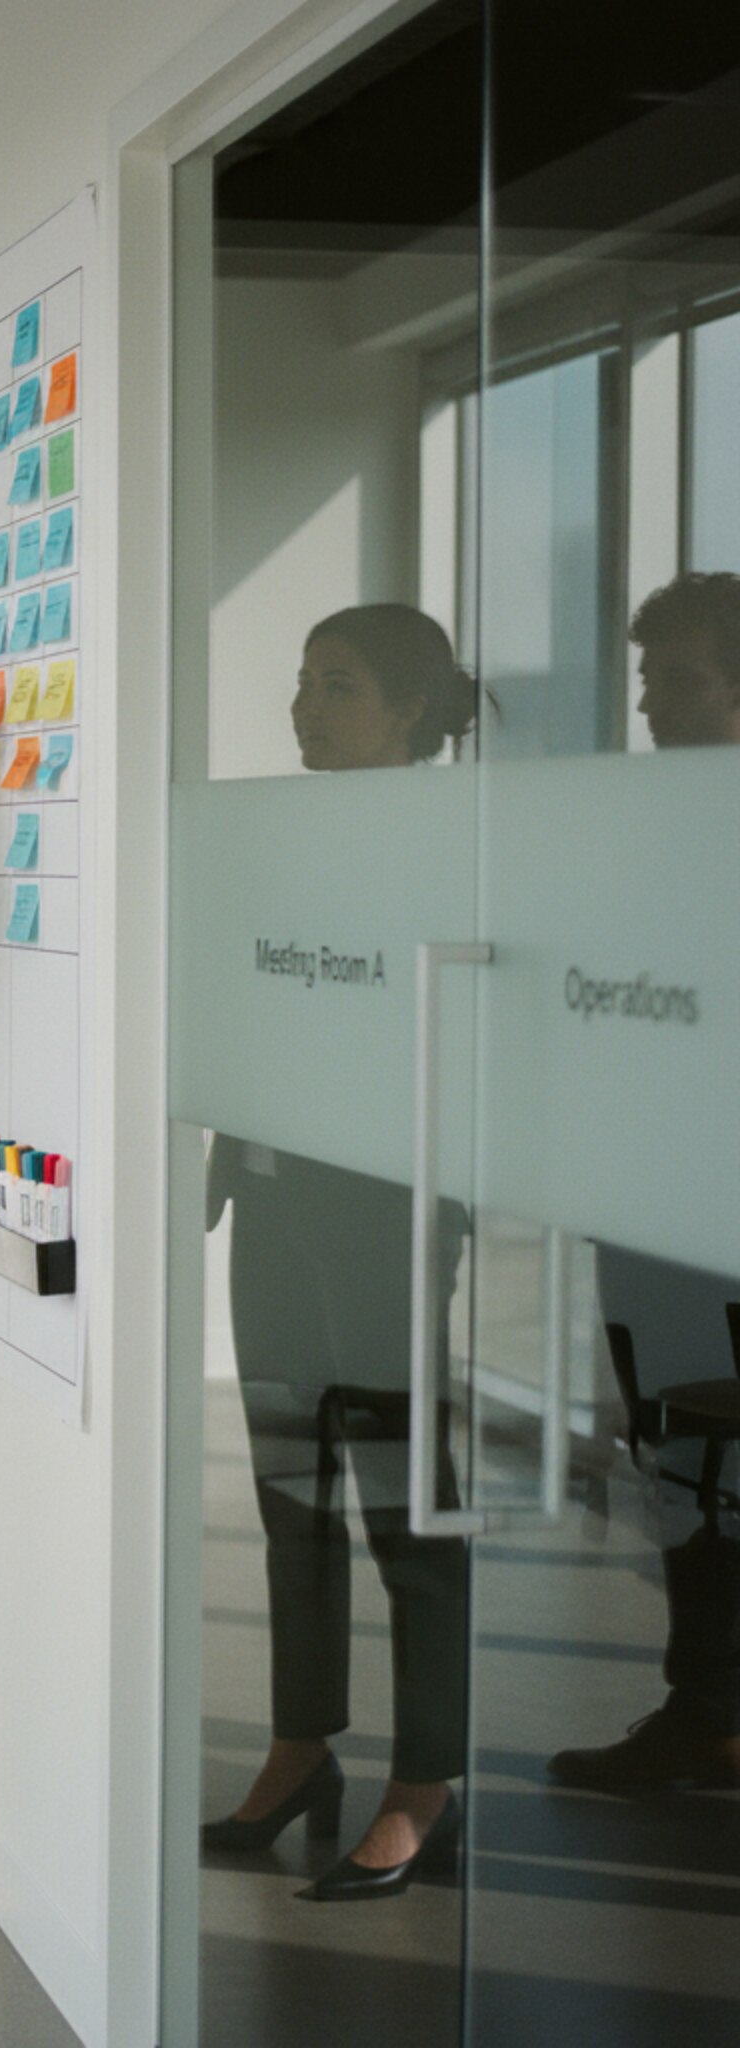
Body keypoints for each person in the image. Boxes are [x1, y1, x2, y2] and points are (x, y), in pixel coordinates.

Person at [201, 604, 478, 1903]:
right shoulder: (284, 834)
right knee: (287, 1494)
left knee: (400, 1503)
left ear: (412, 711)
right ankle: (301, 1744)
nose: (308, 708)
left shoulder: (452, 846)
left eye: (341, 686)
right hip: (268, 1203)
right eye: (304, 681)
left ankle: (427, 1781)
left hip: (380, 1215)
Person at [545, 571, 740, 1790]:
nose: (650, 702)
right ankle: (706, 1705)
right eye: (644, 679)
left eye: (677, 678)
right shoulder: (650, 821)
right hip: (650, 1215)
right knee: (679, 1470)